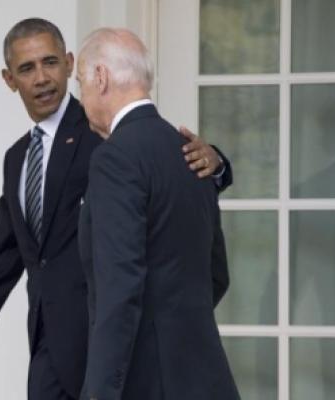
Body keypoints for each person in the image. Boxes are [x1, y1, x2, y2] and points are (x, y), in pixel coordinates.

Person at [0, 18, 233, 400]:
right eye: (27, 68)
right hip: (48, 358)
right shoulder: (16, 159)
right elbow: (2, 261)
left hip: (109, 356)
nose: (42, 78)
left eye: (50, 62)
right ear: (9, 79)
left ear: (70, 64)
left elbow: (162, 174)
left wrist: (218, 165)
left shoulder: (107, 135)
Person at [76, 28, 240, 400]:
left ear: (101, 77)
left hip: (146, 383)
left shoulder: (115, 158)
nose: (81, 97)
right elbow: (216, 274)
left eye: (80, 82)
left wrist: (100, 392)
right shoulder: (193, 153)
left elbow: (119, 286)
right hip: (205, 379)